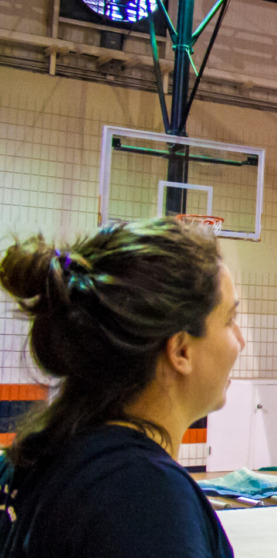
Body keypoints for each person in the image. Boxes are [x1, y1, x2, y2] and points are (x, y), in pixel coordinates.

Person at [0, 218, 242, 557]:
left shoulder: (32, 457)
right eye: (230, 320)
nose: (241, 341)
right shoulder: (144, 498)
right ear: (181, 351)